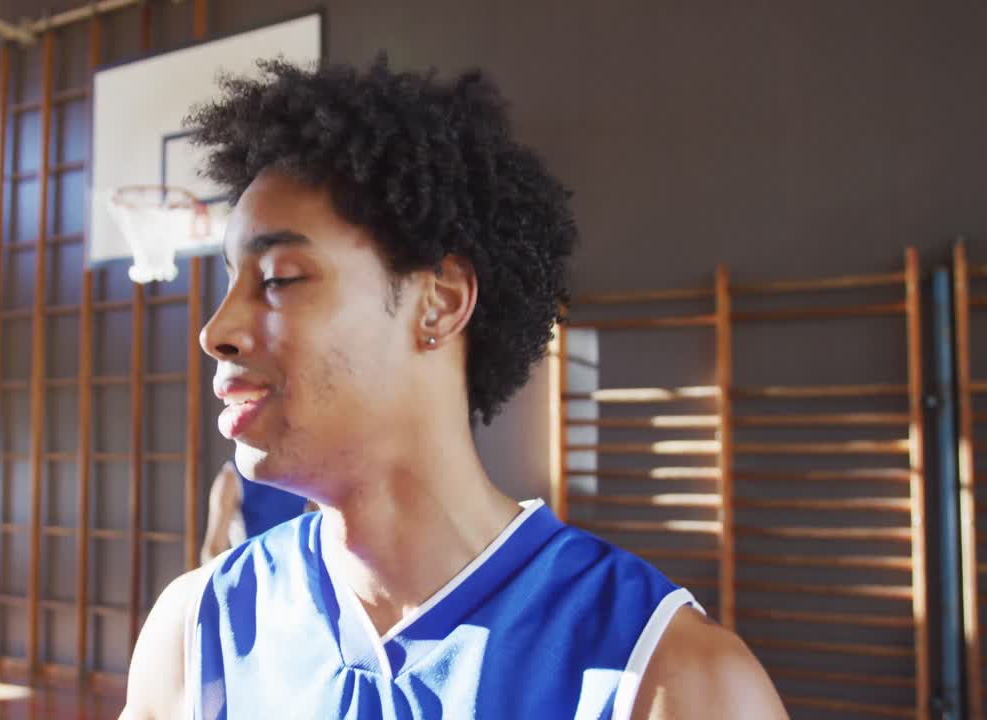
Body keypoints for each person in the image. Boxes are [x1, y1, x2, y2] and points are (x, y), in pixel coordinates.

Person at [121, 56, 787, 719]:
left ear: (438, 303)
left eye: (280, 278)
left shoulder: (669, 677)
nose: (216, 330)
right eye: (230, 279)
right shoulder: (196, 634)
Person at [199, 460, 309, 565]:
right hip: (252, 576)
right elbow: (213, 551)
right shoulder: (230, 477)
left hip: (295, 574)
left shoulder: (300, 471)